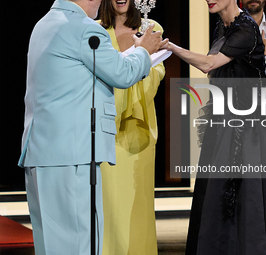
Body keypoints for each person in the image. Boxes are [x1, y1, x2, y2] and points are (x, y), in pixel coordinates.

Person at [17, 0, 167, 254]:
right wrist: (144, 51)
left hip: (39, 154)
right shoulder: (85, 29)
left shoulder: (43, 25)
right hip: (72, 155)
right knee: (79, 244)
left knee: (51, 246)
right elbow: (122, 74)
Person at [162, 0, 266, 254]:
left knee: (252, 193)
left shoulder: (245, 27)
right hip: (224, 119)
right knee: (219, 192)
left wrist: (171, 47)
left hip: (251, 125)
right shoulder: (222, 26)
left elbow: (209, 64)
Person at [97, 0, 164, 254]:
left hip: (139, 132)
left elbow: (157, 73)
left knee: (138, 209)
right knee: (108, 208)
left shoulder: (150, 28)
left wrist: (136, 70)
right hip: (106, 130)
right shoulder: (96, 32)